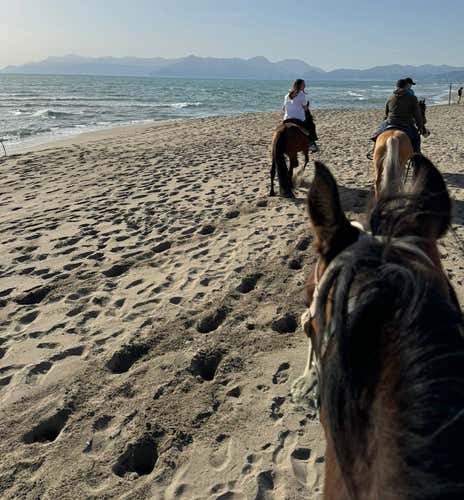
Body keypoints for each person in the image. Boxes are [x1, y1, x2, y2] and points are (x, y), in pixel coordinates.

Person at [371, 79, 425, 153]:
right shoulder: (412, 98)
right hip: (406, 123)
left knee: (377, 134)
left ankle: (373, 150)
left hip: (390, 122)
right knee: (416, 138)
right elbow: (417, 114)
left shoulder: (390, 97)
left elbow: (386, 113)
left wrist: (386, 120)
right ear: (406, 86)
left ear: (397, 86)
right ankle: (417, 154)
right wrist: (420, 126)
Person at [282, 79, 319, 152]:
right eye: (303, 84)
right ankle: (311, 144)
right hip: (298, 118)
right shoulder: (302, 95)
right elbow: (305, 108)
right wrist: (306, 107)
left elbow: (283, 108)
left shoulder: (287, 95)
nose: (305, 86)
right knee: (311, 125)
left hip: (286, 119)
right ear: (299, 85)